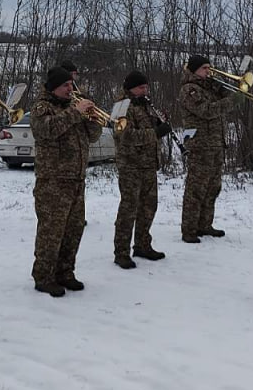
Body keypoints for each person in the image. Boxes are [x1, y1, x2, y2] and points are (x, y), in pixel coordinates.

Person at [30, 65, 102, 296]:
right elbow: (47, 131)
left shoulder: (72, 107)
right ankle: (44, 276)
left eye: (71, 85)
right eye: (65, 86)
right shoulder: (42, 108)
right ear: (53, 88)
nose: (70, 89)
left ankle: (65, 272)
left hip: (76, 179)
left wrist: (92, 119)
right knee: (52, 231)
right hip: (53, 180)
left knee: (73, 230)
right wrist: (76, 112)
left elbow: (92, 137)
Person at [178, 54, 237, 243]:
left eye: (209, 68)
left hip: (216, 144)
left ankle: (205, 224)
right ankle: (189, 229)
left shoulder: (209, 87)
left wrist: (224, 90)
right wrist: (231, 101)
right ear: (194, 70)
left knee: (213, 187)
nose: (209, 71)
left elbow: (223, 103)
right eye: (204, 68)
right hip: (200, 144)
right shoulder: (190, 89)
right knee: (196, 188)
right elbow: (207, 111)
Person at [112, 70, 168, 269]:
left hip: (148, 165)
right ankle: (121, 251)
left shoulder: (144, 105)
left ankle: (143, 244)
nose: (145, 90)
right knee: (129, 209)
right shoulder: (122, 107)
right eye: (140, 87)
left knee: (148, 207)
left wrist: (159, 123)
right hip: (131, 165)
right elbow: (125, 136)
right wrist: (154, 132)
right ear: (130, 88)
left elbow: (147, 130)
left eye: (146, 87)